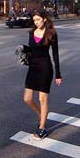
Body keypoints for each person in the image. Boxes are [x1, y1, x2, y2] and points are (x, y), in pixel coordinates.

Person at [23, 11, 62, 140]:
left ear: (44, 19)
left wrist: (58, 74)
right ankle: (41, 115)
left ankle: (42, 128)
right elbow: (31, 49)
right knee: (27, 99)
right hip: (33, 67)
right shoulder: (31, 33)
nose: (36, 22)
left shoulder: (51, 33)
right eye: (34, 20)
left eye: (38, 20)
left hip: (45, 68)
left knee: (42, 99)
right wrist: (23, 49)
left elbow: (55, 55)